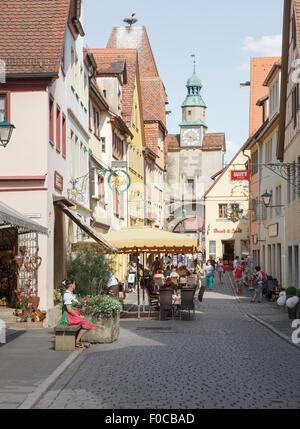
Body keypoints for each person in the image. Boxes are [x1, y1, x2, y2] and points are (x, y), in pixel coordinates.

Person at [57, 279, 95, 348]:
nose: (75, 285)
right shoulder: (67, 295)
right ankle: (77, 341)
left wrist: (82, 307)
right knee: (87, 323)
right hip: (69, 316)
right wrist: (78, 316)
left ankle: (77, 340)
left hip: (74, 315)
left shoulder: (70, 294)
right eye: (74, 284)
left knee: (88, 322)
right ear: (71, 285)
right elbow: (69, 309)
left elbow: (74, 306)